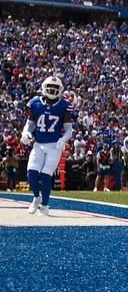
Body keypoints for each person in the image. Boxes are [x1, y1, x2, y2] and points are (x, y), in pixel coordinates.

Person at [22, 76, 76, 215]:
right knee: (32, 173)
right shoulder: (35, 103)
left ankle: (45, 206)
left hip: (54, 146)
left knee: (46, 175)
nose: (52, 90)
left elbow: (69, 130)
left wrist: (63, 139)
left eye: (55, 88)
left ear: (60, 90)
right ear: (44, 88)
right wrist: (26, 133)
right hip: (39, 144)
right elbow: (30, 124)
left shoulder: (64, 105)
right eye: (50, 87)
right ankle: (36, 197)